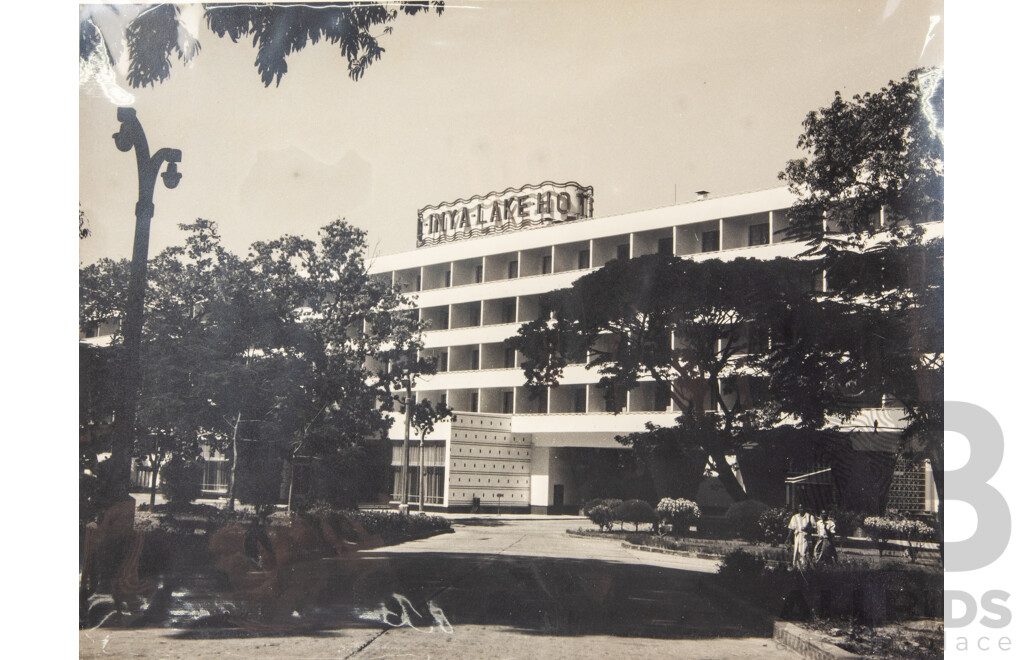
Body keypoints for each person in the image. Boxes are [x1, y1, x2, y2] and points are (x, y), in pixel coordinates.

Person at [787, 503, 816, 569]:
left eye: (802, 508)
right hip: (797, 536)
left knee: (803, 552)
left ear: (805, 508)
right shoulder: (795, 517)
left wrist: (808, 529)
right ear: (798, 509)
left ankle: (803, 568)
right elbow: (791, 528)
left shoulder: (809, 517)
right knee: (796, 552)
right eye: (800, 508)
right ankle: (796, 567)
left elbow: (814, 527)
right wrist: (788, 538)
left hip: (805, 536)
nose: (801, 510)